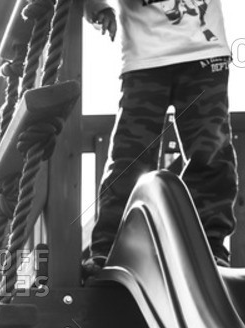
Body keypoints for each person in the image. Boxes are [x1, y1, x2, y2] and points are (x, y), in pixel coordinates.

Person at [82, 0, 237, 272]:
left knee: (210, 150)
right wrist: (94, 6)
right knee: (130, 157)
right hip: (145, 59)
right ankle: (109, 249)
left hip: (204, 52)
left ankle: (210, 247)